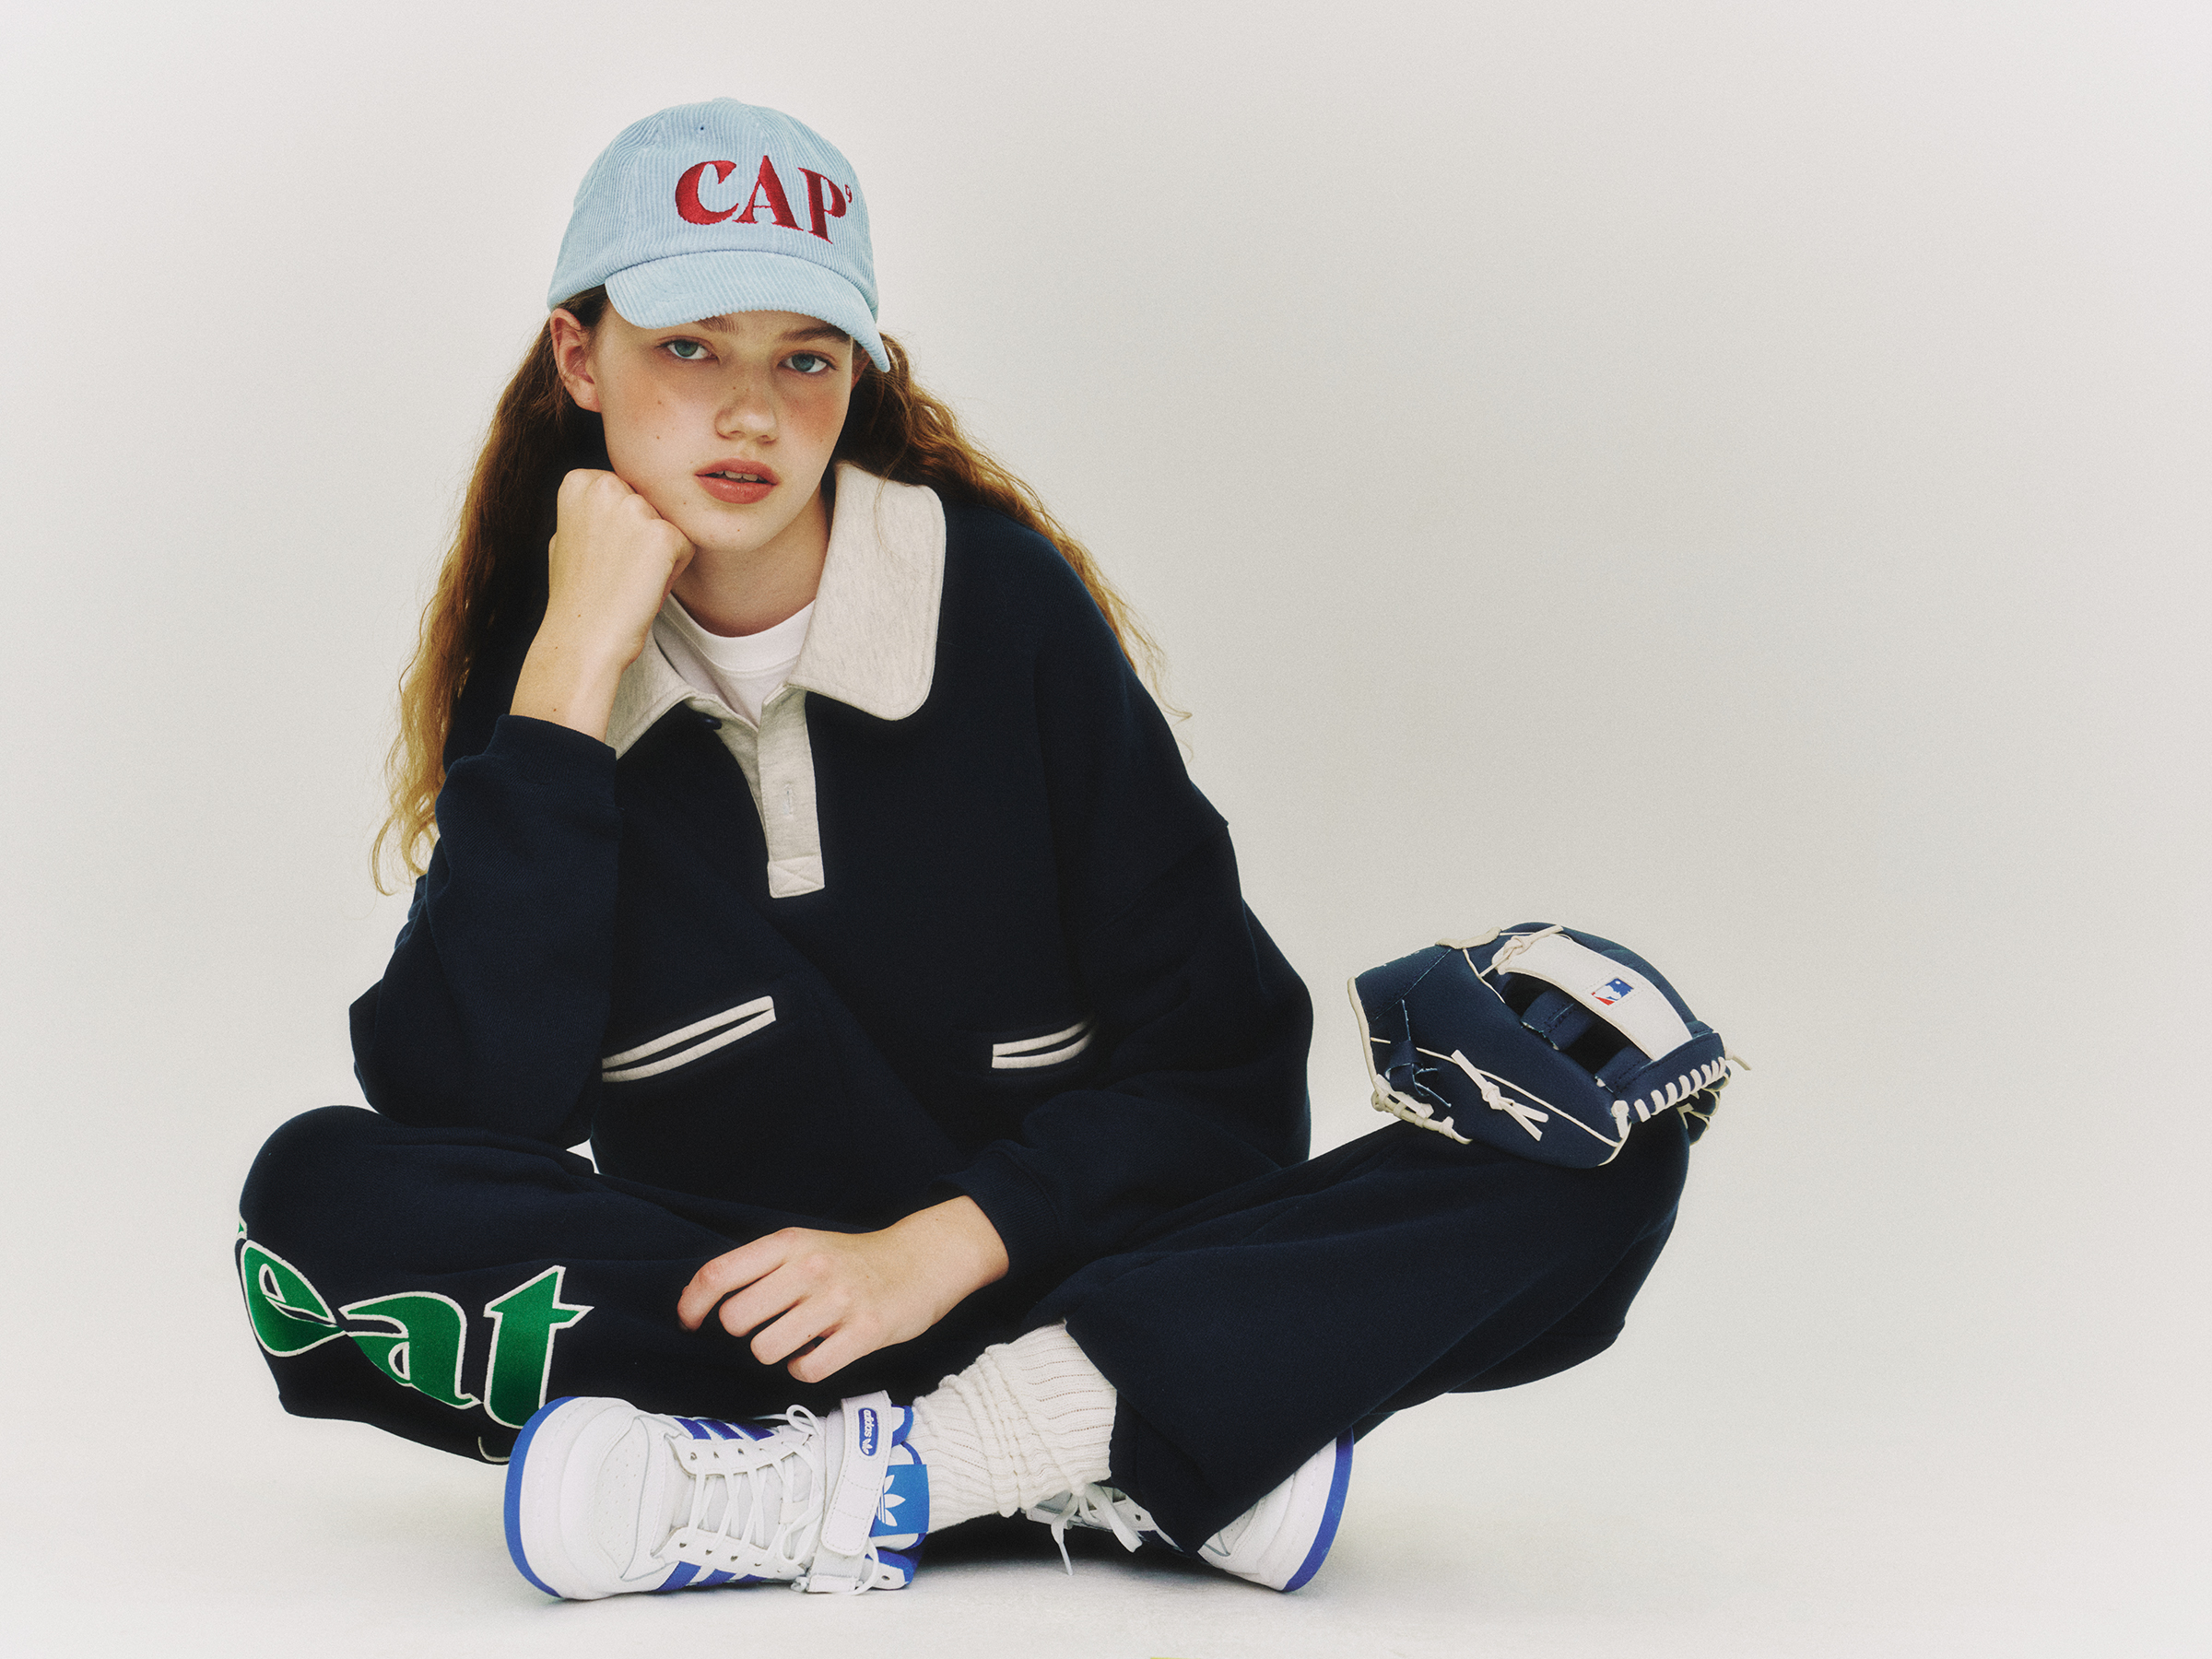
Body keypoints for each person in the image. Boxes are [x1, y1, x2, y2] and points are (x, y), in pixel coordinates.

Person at [236, 98, 1696, 1603]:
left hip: (1068, 1262)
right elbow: (463, 1122)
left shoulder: (1002, 610)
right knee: (310, 1201)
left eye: (805, 358)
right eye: (690, 349)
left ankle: (851, 1473)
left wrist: (938, 1250)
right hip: (752, 1300)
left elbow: (1229, 1083)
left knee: (1604, 1129)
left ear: (857, 374)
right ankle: (1128, 1440)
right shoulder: (549, 679)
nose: (751, 415)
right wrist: (566, 684)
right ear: (578, 357)